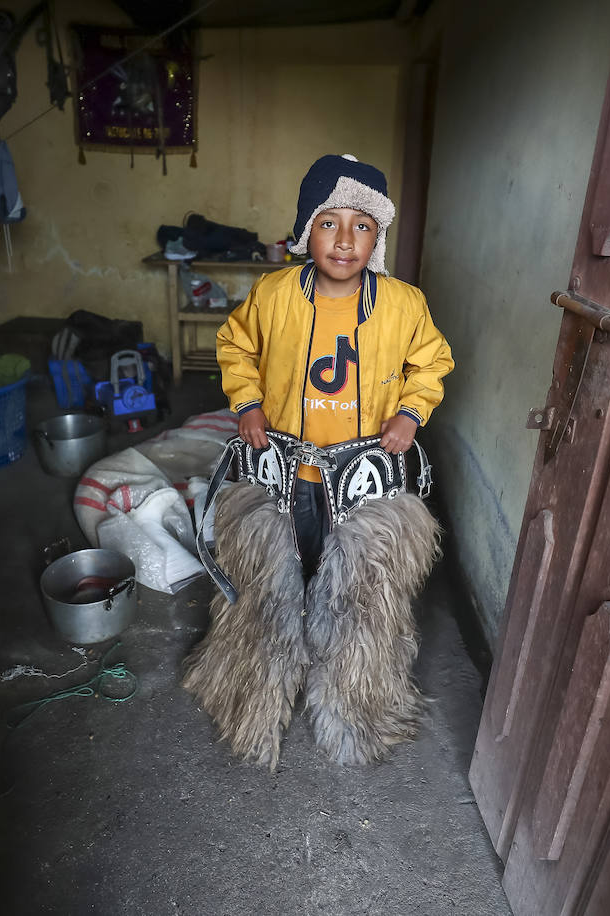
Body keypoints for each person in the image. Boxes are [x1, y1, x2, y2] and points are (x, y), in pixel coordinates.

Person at [183, 154, 454, 769]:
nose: (345, 240)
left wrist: (411, 413)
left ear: (377, 237)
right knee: (269, 594)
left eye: (363, 226)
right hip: (282, 475)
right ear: (307, 229)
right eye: (329, 223)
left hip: (364, 482)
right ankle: (253, 700)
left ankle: (356, 711)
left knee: (359, 601)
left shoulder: (403, 304)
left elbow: (431, 362)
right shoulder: (274, 293)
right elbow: (235, 346)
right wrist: (248, 403)